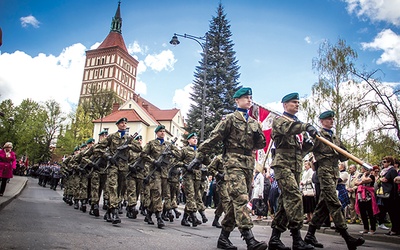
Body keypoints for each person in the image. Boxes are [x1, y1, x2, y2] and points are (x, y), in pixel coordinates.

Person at [193, 87, 268, 250]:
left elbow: (260, 145)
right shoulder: (230, 119)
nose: (249, 100)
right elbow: (214, 137)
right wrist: (199, 156)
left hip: (248, 164)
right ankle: (250, 240)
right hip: (233, 163)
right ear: (237, 100)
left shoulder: (254, 122)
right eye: (246, 97)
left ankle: (223, 238)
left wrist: (259, 132)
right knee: (241, 200)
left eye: (250, 97)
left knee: (237, 204)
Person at [304, 110, 365, 250]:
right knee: (334, 202)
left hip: (334, 173)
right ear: (322, 121)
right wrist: (310, 137)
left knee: (323, 205)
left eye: (332, 119)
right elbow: (309, 148)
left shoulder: (335, 137)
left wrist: (346, 153)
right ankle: (347, 237)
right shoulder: (318, 136)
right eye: (329, 119)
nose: (331, 121)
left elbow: (343, 156)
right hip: (324, 172)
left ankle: (310, 234)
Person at [268, 92, 315, 250]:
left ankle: (275, 238)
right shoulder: (280, 121)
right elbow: (287, 129)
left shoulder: (297, 125)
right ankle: (297, 239)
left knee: (285, 203)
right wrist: (305, 126)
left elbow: (299, 152)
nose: (297, 104)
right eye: (293, 102)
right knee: (295, 197)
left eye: (298, 102)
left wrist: (309, 144)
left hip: (295, 166)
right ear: (285, 105)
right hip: (282, 166)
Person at [378, 156, 400, 236]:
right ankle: (394, 229)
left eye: (384, 162)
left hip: (391, 195)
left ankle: (395, 229)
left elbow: (395, 183)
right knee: (390, 212)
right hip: (384, 194)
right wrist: (380, 179)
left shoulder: (392, 170)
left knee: (394, 213)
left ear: (389, 163)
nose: (383, 163)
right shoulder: (384, 171)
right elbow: (380, 180)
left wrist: (395, 195)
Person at [354, 167, 378, 235]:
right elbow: (356, 182)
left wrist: (362, 179)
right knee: (363, 213)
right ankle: (366, 228)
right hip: (361, 195)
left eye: (365, 169)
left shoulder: (371, 176)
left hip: (369, 196)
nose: (363, 169)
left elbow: (365, 180)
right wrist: (361, 181)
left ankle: (373, 228)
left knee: (371, 212)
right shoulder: (360, 175)